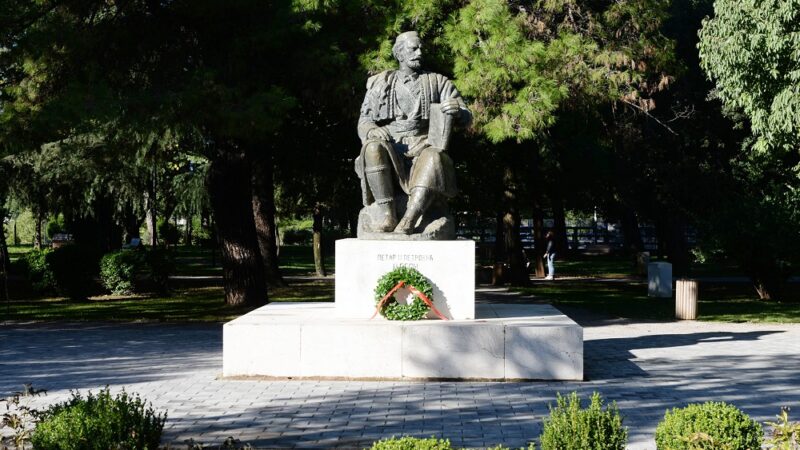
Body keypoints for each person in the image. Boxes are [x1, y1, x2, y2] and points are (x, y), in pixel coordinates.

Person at [355, 31, 471, 234]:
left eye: (421, 49)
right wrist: (372, 130)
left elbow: (466, 116)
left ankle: (410, 218)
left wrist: (458, 111)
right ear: (399, 53)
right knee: (372, 149)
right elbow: (364, 121)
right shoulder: (381, 83)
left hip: (424, 142)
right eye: (413, 49)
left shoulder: (438, 81)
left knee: (434, 156)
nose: (419, 53)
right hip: (391, 142)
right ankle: (388, 215)